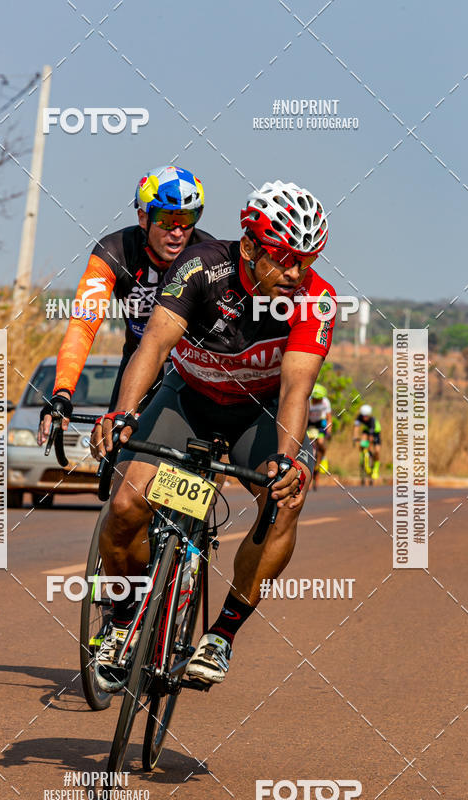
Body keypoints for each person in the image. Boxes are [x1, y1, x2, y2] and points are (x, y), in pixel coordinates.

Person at [89, 179, 337, 690]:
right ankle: (119, 618)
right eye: (282, 257)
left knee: (287, 498)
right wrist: (122, 414)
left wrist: (286, 461)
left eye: (306, 260)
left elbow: (296, 389)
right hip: (190, 398)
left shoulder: (317, 298)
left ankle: (221, 635)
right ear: (249, 245)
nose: (295, 272)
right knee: (126, 506)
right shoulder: (202, 267)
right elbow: (153, 347)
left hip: (257, 411)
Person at [37, 165, 212, 445]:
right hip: (138, 364)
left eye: (187, 219)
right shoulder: (113, 252)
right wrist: (62, 393)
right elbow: (83, 324)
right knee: (110, 448)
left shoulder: (208, 255)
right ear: (143, 217)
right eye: (167, 220)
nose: (178, 232)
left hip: (191, 371)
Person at [307, 383, 332, 488]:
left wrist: (329, 431)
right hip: (309, 423)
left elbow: (329, 418)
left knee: (321, 442)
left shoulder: (325, 402)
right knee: (306, 445)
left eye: (321, 399)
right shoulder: (307, 400)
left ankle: (323, 457)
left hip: (320, 423)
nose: (319, 401)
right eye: (317, 399)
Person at [353, 404, 381, 479]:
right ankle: (363, 457)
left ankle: (375, 469)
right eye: (363, 416)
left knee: (377, 451)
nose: (364, 417)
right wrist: (355, 437)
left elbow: (371, 438)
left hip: (375, 432)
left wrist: (369, 445)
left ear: (369, 415)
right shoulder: (359, 417)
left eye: (366, 416)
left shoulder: (372, 421)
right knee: (362, 442)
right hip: (366, 431)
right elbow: (356, 427)